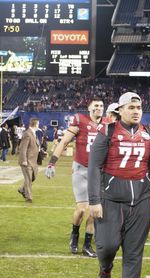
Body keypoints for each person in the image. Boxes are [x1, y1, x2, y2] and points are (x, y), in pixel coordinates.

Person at [88, 92, 150, 278]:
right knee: (107, 246)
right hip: (111, 198)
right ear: (120, 110)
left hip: (140, 199)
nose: (135, 111)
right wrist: (94, 200)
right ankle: (105, 269)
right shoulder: (108, 131)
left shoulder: (149, 133)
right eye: (130, 107)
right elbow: (94, 166)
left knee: (133, 251)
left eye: (138, 108)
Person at [44, 97, 105, 257]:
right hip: (81, 170)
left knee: (94, 211)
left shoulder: (107, 124)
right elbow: (64, 142)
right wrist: (52, 162)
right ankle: (74, 235)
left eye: (101, 106)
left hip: (98, 172)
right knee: (81, 210)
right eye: (96, 105)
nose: (99, 108)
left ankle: (87, 245)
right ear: (89, 108)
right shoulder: (80, 121)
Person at [18, 118, 40, 203]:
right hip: (27, 161)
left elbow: (35, 146)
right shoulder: (27, 134)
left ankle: (22, 189)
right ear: (35, 124)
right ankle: (28, 197)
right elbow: (23, 148)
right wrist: (24, 160)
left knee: (33, 177)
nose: (39, 126)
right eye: (38, 124)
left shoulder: (33, 133)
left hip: (33, 161)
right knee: (28, 179)